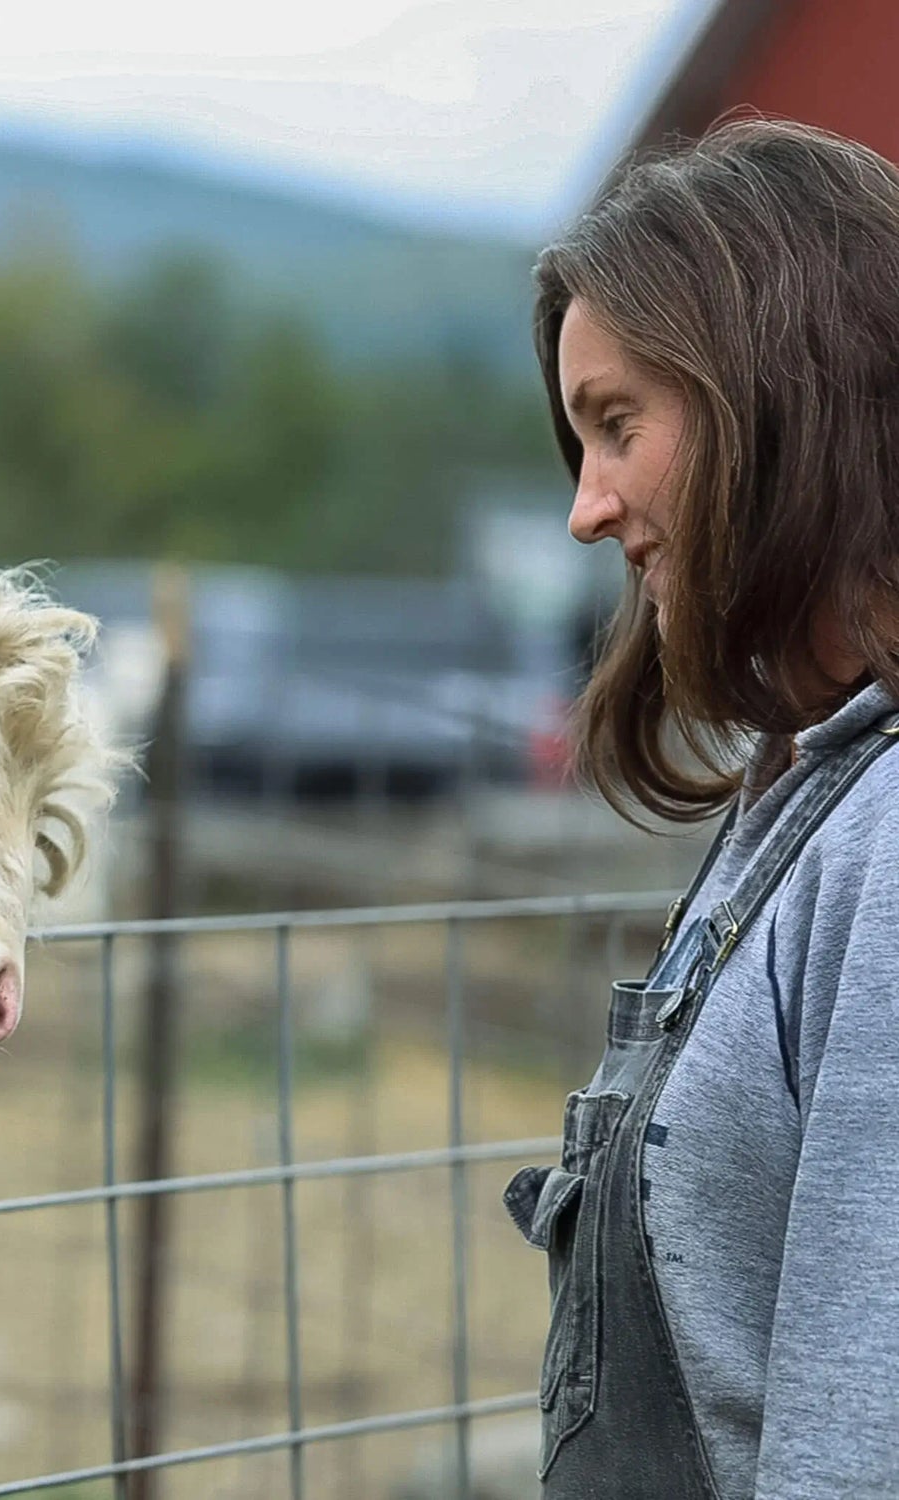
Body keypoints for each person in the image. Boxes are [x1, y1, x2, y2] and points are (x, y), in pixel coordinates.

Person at [504, 118, 899, 1500]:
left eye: (617, 426)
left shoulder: (893, 845)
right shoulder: (801, 797)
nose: (587, 507)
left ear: (778, 402)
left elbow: (864, 1434)